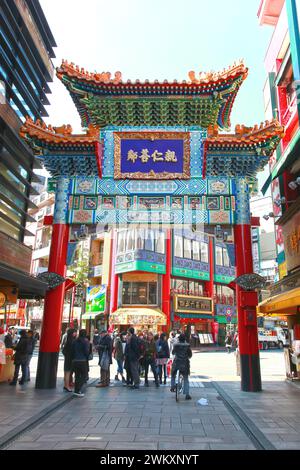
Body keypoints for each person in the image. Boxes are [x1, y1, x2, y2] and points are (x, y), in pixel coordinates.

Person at [170, 333, 192, 400]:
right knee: (186, 378)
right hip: (184, 363)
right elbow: (190, 355)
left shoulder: (176, 345)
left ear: (179, 339)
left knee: (173, 374)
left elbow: (173, 353)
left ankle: (172, 386)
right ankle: (187, 394)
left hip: (177, 362)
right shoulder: (187, 345)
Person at [71, 329, 90, 397]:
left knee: (77, 376)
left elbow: (72, 350)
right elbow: (86, 351)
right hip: (82, 360)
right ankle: (78, 389)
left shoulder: (75, 341)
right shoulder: (85, 341)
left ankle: (76, 390)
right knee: (84, 376)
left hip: (75, 360)